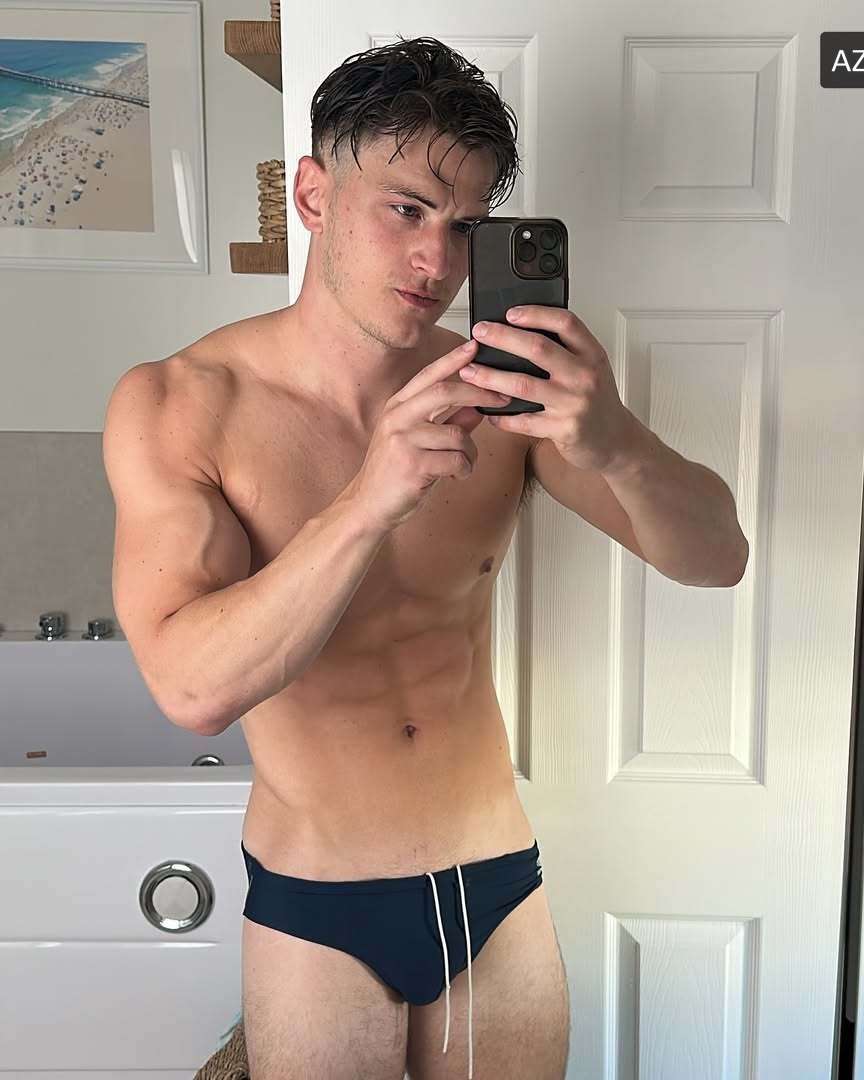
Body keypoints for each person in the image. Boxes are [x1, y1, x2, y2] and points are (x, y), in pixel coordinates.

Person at [102, 37, 747, 1080]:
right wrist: (369, 500)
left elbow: (719, 558)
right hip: (317, 899)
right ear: (314, 195)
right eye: (406, 209)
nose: (437, 264)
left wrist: (615, 440)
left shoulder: (505, 395)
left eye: (465, 225)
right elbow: (191, 689)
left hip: (492, 878)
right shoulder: (182, 404)